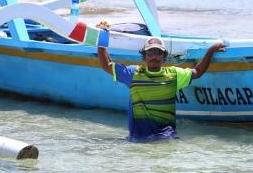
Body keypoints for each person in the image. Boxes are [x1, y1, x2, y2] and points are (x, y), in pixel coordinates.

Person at [97, 33, 226, 141]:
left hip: (165, 138)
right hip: (140, 139)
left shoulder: (174, 75)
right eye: (150, 53)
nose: (154, 56)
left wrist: (211, 51)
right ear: (145, 56)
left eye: (158, 52)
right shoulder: (133, 74)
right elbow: (107, 65)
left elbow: (197, 72)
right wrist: (102, 41)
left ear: (164, 56)